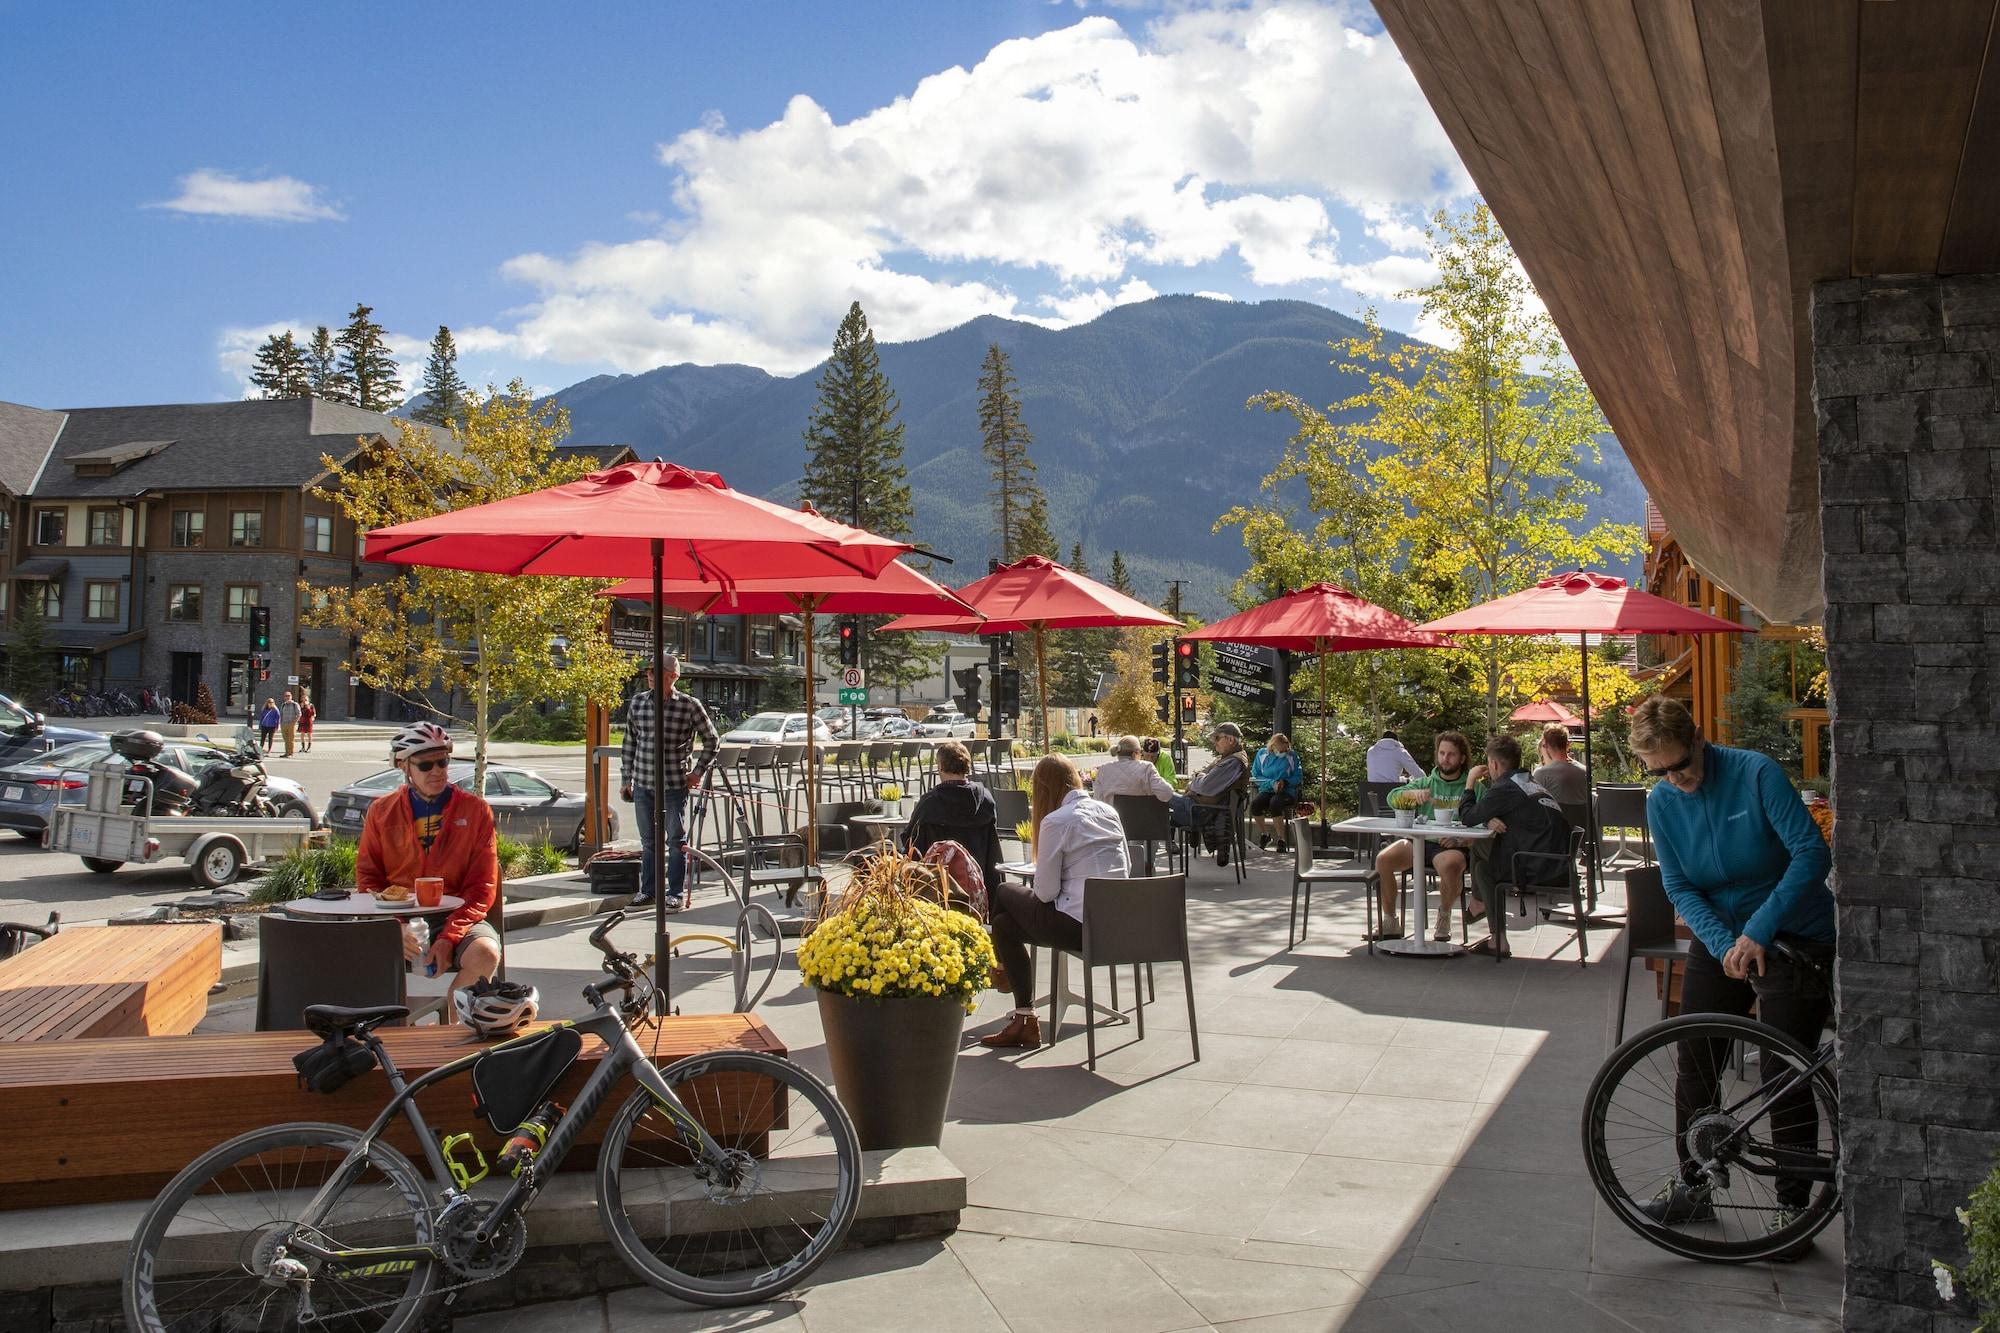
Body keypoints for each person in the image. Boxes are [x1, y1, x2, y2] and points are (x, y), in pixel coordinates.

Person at [1626, 694, 1834, 1254]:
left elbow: (1811, 855)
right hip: (1723, 939)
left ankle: (1794, 1210)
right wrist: (1725, 946)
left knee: (1781, 1070)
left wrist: (1759, 931)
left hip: (1792, 933)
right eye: (1661, 772)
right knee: (1695, 1059)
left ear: (1698, 739)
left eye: (1681, 764)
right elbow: (1678, 885)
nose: (1676, 780)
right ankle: (1692, 1187)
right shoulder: (1662, 802)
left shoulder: (1754, 772)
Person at [981, 754, 1128, 1049]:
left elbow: (1045, 893)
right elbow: (1126, 869)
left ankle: (1001, 970)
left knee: (1004, 892)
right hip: (1114, 926)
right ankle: (1024, 1018)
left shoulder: (1056, 821)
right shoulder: (1109, 812)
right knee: (1003, 924)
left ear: (1042, 790)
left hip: (1075, 927)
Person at [356, 721, 501, 1019]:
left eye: (443, 762)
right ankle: (383, 1040)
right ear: (404, 766)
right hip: (397, 917)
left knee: (485, 953)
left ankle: (450, 1035)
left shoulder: (475, 810)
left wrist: (450, 937)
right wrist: (395, 926)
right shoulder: (381, 811)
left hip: (457, 915)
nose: (437, 771)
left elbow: (482, 886)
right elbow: (369, 878)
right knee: (349, 960)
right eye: (425, 765)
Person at [618, 653, 719, 911]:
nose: (650, 675)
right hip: (643, 784)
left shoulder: (689, 704)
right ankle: (648, 892)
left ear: (673, 676)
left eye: (657, 672)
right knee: (648, 841)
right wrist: (625, 778)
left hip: (674, 785)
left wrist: (697, 772)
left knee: (676, 840)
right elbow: (629, 742)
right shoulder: (639, 703)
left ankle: (674, 893)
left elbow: (712, 740)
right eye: (649, 671)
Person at [1456, 735, 1570, 954]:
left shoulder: (1505, 787)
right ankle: (1483, 912)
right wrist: (1489, 818)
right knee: (1481, 852)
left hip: (1537, 867)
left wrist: (1470, 781)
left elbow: (1468, 817)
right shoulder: (1528, 782)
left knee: (1483, 867)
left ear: (1495, 764)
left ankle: (1492, 928)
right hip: (1558, 862)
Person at [1368, 731, 1475, 941]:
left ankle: (1444, 916)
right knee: (1384, 859)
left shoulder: (1471, 787)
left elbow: (1484, 821)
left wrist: (1462, 840)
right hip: (1419, 841)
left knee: (1451, 864)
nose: (1445, 758)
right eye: (1442, 753)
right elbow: (1391, 798)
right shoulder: (1426, 782)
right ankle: (1390, 921)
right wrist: (1409, 795)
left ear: (1462, 758)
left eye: (1451, 754)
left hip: (1451, 845)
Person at [901, 739, 1001, 903]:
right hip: (978, 884)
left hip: (936, 890)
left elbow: (911, 843)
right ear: (967, 765)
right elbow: (993, 847)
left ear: (940, 767)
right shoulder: (985, 800)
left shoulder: (930, 803)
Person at [1169, 723, 1252, 867]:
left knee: (1160, 796)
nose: (1214, 742)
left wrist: (1196, 780)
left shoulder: (1233, 761)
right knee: (1160, 799)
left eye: (1217, 738)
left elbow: (1205, 786)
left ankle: (1146, 861)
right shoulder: (1227, 758)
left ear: (1231, 740)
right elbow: (1201, 779)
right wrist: (1199, 779)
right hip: (1200, 808)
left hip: (1201, 811)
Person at [1249, 732, 1304, 853]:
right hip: (1267, 788)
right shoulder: (1262, 754)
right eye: (1281, 750)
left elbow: (1298, 776)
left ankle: (1281, 839)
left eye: (1286, 749)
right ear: (1274, 746)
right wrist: (1271, 783)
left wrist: (1286, 782)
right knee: (1255, 805)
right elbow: (1256, 774)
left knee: (1275, 803)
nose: (1284, 752)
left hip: (1286, 790)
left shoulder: (1291, 756)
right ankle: (1265, 834)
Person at [1091, 735, 1177, 803]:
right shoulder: (1147, 768)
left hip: (1112, 822)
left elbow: (1097, 800)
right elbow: (1167, 793)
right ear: (1135, 753)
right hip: (1143, 821)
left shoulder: (1103, 770)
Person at [1531, 725, 1589, 807]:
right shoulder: (1584, 771)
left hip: (1554, 819)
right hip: (1581, 819)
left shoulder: (1542, 773)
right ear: (1568, 744)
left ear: (1546, 745)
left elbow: (1533, 804)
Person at [278, 690, 301, 757]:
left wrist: (294, 722)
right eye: (286, 696)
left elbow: (299, 714)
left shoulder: (295, 704)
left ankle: (290, 753)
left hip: (291, 724)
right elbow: (281, 714)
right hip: (284, 724)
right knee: (286, 739)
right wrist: (281, 723)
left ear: (291, 696)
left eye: (289, 696)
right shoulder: (283, 705)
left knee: (290, 739)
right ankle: (286, 752)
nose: (287, 697)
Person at [298, 689, 316, 753]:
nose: (304, 700)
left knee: (309, 734)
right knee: (302, 734)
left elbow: (313, 714)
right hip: (302, 720)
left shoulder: (311, 705)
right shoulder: (300, 705)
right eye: (303, 699)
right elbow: (299, 712)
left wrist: (308, 708)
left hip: (308, 721)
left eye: (306, 699)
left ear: (308, 699)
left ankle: (309, 748)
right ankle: (303, 747)